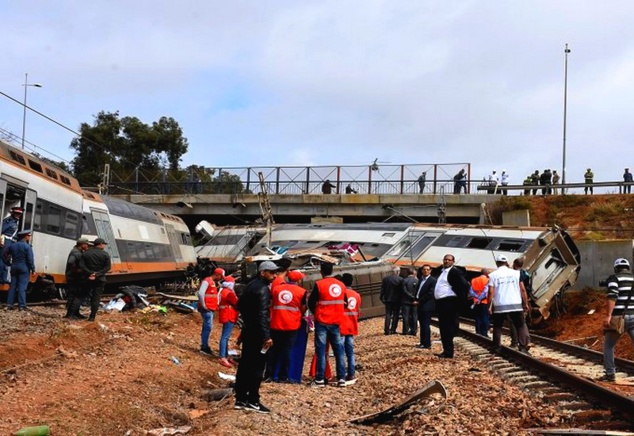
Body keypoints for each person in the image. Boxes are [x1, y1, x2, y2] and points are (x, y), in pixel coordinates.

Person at [234, 261, 277, 413]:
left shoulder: (251, 286)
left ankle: (240, 398)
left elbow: (240, 304)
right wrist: (266, 336)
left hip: (248, 330)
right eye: (271, 273)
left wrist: (247, 321)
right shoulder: (263, 289)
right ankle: (253, 399)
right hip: (258, 334)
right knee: (257, 367)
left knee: (245, 365)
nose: (274, 275)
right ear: (263, 272)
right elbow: (262, 314)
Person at [307, 262, 347, 388]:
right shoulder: (341, 285)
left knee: (321, 350)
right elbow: (345, 303)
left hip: (322, 321)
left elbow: (311, 302)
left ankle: (319, 379)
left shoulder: (319, 284)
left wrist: (316, 312)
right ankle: (341, 378)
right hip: (336, 321)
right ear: (332, 270)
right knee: (339, 351)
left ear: (321, 271)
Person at [265, 270, 307, 383]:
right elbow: (303, 309)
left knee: (272, 350)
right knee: (287, 350)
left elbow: (271, 304)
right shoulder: (302, 292)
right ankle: (283, 376)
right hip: (292, 325)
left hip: (276, 323)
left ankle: (268, 374)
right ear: (298, 280)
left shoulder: (276, 289)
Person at [487, 254, 531, 354]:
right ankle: (523, 347)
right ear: (507, 263)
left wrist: (489, 306)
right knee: (520, 325)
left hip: (499, 305)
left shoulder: (493, 275)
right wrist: (525, 303)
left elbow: (490, 292)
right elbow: (523, 289)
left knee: (498, 326)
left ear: (497, 263)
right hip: (515, 303)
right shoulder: (516, 273)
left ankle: (496, 348)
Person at [599, 258, 634, 382]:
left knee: (609, 345)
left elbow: (612, 296)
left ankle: (610, 374)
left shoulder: (614, 278)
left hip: (619, 317)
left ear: (616, 268)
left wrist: (608, 315)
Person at [431, 254, 470, 358]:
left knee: (447, 328)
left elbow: (463, 286)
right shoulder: (442, 272)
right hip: (442, 303)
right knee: (443, 327)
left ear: (453, 261)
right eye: (445, 259)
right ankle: (446, 350)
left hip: (449, 303)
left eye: (449, 260)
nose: (446, 261)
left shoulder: (454, 272)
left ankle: (448, 352)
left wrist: (459, 302)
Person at [78, 238, 111, 321]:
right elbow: (107, 267)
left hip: (87, 278)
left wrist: (90, 273)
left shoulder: (86, 253)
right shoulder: (105, 254)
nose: (104, 246)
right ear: (100, 244)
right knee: (96, 298)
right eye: (104, 244)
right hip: (99, 279)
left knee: (81, 295)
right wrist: (97, 274)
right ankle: (92, 317)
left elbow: (81, 265)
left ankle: (74, 313)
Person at [4, 230, 35, 311]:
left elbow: (5, 254)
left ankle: (9, 304)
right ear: (25, 237)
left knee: (12, 286)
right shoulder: (27, 247)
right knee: (22, 287)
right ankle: (21, 306)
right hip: (24, 268)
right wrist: (33, 270)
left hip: (14, 267)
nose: (29, 237)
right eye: (28, 236)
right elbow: (30, 260)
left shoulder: (12, 246)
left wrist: (7, 263)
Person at [197, 267, 225, 356]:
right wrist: (203, 305)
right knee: (208, 327)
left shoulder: (212, 282)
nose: (221, 279)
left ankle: (205, 345)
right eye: (220, 277)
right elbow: (200, 293)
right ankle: (204, 346)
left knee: (207, 326)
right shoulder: (207, 281)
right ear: (217, 275)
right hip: (207, 308)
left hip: (210, 308)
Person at [340, 273, 360, 383]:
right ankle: (351, 373)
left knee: (341, 352)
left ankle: (342, 374)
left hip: (341, 325)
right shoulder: (356, 295)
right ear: (352, 282)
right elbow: (358, 311)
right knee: (350, 352)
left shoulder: (341, 294)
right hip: (352, 324)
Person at [64, 237, 91, 319]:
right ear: (82, 244)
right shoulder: (75, 253)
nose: (87, 246)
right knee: (73, 295)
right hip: (73, 277)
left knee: (75, 294)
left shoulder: (78, 251)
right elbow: (71, 262)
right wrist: (77, 270)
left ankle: (76, 313)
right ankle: (70, 314)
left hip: (73, 277)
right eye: (86, 244)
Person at [218, 276, 239, 368]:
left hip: (225, 315)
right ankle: (223, 357)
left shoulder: (223, 291)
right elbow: (237, 303)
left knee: (225, 337)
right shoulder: (229, 293)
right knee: (225, 337)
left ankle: (225, 355)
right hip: (229, 316)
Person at [415, 264, 436, 349]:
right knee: (422, 324)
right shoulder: (421, 279)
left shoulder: (433, 280)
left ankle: (427, 343)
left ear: (430, 271)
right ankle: (422, 342)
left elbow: (430, 293)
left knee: (425, 324)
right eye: (424, 269)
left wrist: (419, 301)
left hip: (427, 305)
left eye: (427, 269)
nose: (426, 271)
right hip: (420, 305)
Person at [1, 206, 23, 284]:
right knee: (3, 259)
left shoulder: (14, 222)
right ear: (13, 213)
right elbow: (2, 230)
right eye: (17, 213)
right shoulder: (8, 221)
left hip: (11, 242)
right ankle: (2, 278)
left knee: (7, 259)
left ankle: (4, 278)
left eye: (19, 214)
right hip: (6, 241)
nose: (18, 215)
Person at [380, 266, 403, 335]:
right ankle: (393, 329)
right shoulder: (401, 279)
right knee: (396, 315)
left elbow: (382, 290)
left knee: (388, 314)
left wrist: (382, 298)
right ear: (398, 272)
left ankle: (386, 330)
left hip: (388, 299)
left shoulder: (386, 279)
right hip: (397, 300)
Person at [469, 268, 490, 337]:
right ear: (486, 274)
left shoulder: (474, 280)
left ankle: (478, 332)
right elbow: (485, 292)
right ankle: (484, 333)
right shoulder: (488, 280)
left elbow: (471, 292)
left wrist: (477, 298)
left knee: (477, 317)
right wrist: (480, 298)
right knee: (485, 317)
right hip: (484, 301)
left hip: (475, 301)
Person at [401, 267, 418, 335]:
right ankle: (414, 331)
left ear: (407, 273)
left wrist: (410, 296)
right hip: (415, 301)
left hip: (405, 301)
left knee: (406, 316)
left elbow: (404, 291)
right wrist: (414, 297)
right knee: (414, 316)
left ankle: (405, 330)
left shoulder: (404, 280)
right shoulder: (417, 281)